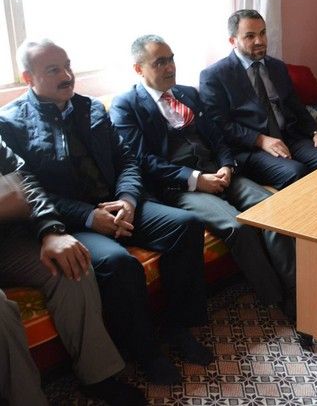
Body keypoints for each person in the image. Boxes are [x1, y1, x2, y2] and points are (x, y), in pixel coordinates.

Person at [0, 39, 212, 386]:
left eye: (68, 66)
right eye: (54, 70)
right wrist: (88, 216)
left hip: (118, 204)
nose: (67, 75)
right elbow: (32, 192)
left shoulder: (91, 108)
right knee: (118, 263)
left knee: (185, 225)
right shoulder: (10, 123)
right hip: (71, 221)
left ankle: (178, 326)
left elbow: (126, 159)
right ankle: (146, 352)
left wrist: (127, 200)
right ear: (28, 77)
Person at [110, 35, 297, 320]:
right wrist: (196, 178)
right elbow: (142, 160)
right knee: (238, 227)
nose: (170, 67)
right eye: (159, 62)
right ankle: (278, 300)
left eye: (171, 59)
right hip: (180, 187)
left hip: (219, 172)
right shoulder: (126, 105)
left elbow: (217, 136)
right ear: (139, 68)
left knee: (274, 209)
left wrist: (226, 164)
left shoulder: (187, 93)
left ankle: (296, 290)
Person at [0, 138, 145, 405]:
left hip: (8, 240)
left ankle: (98, 375)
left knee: (73, 265)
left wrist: (50, 230)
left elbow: (24, 182)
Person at [200, 9, 317, 189]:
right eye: (250, 36)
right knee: (295, 172)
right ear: (233, 41)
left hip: (289, 137)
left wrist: (314, 131)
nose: (260, 41)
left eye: (262, 33)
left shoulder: (277, 67)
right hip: (252, 148)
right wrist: (260, 140)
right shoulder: (215, 75)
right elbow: (220, 124)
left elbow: (295, 104)